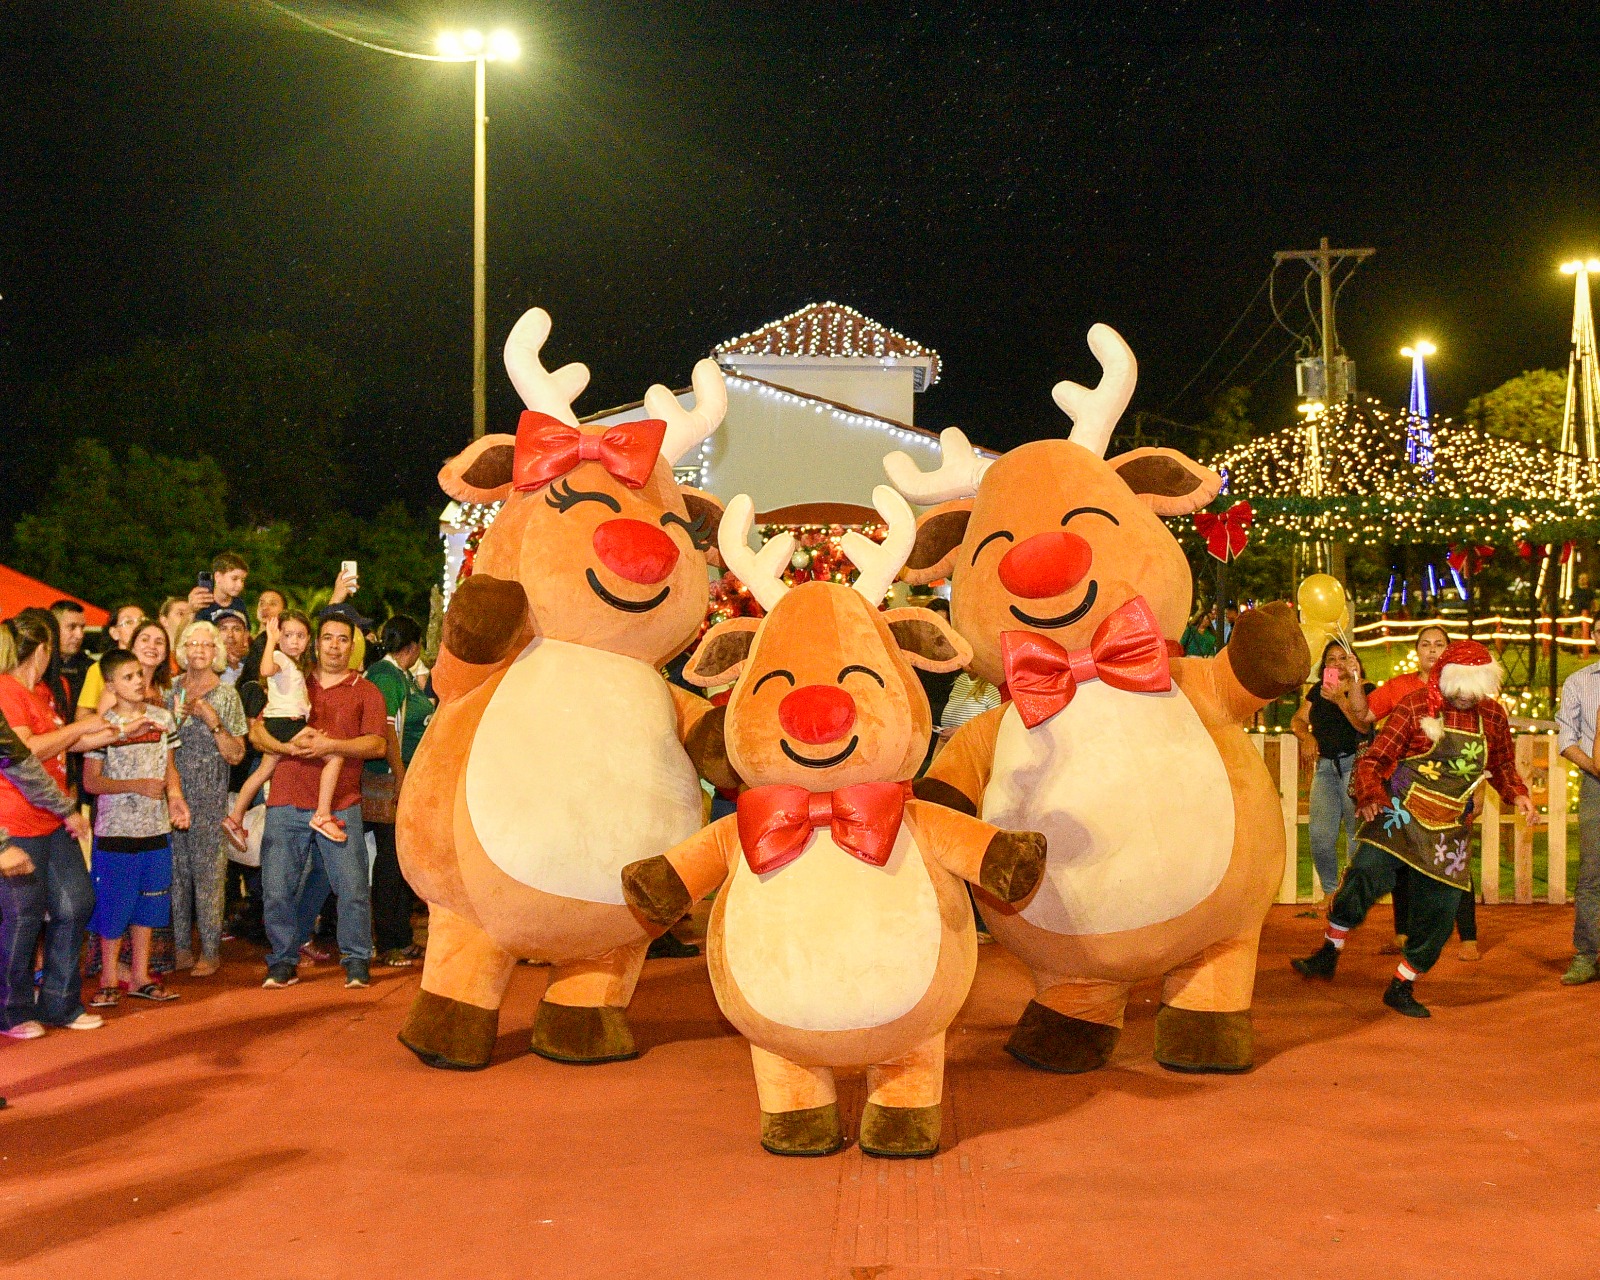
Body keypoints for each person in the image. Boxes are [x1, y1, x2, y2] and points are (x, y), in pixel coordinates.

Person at [1293, 641, 1538, 1018]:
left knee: (1440, 911)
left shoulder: (1493, 716)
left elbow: (1503, 764)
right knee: (1363, 875)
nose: (1465, 697)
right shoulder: (1416, 705)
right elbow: (1374, 757)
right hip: (1400, 816)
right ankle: (1329, 951)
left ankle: (1402, 984)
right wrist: (1371, 793)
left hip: (1449, 827)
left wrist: (1518, 794)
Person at [251, 614, 386, 990]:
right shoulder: (290, 677)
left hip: (341, 803)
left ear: (352, 646)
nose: (334, 646)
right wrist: (285, 746)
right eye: (328, 638)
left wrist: (331, 746)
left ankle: (357, 959)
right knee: (276, 889)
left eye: (342, 640)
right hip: (287, 798)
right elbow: (257, 732)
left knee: (353, 888)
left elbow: (377, 744)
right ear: (316, 642)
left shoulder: (366, 690)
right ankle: (281, 961)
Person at [0, 613, 114, 1037]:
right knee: (22, 918)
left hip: (52, 816)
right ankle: (12, 1010)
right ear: (43, 649)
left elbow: (62, 741)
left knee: (77, 903)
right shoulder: (6, 691)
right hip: (15, 821)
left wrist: (110, 731)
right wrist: (83, 728)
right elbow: (24, 753)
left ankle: (59, 1002)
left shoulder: (45, 690)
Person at [83, 649, 190, 1007]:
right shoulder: (102, 727)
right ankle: (109, 978)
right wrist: (135, 785)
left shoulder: (162, 718)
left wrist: (175, 797)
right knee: (113, 906)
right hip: (115, 832)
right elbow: (92, 783)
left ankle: (142, 976)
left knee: (150, 905)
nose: (138, 681)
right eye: (127, 677)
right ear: (111, 684)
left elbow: (170, 767)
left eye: (140, 675)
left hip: (156, 830)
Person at [1369, 626, 1480, 961]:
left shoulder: (1464, 689)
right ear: (1416, 649)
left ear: (1448, 650)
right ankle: (1403, 933)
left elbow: (1481, 742)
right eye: (1425, 644)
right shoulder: (1399, 687)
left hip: (1451, 790)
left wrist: (1479, 791)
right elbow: (1365, 716)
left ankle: (1468, 937)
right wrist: (1348, 685)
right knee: (1403, 860)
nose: (1432, 650)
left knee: (1454, 860)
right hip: (1405, 789)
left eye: (1439, 644)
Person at [224, 611, 345, 846]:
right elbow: (266, 669)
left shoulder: (295, 665)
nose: (294, 641)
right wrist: (270, 639)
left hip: (283, 722)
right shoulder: (279, 657)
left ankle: (235, 817)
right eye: (288, 635)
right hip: (284, 723)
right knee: (334, 756)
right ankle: (322, 814)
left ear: (309, 639)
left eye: (300, 635)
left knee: (263, 772)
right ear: (280, 637)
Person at [167, 621, 247, 976]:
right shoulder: (170, 690)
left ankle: (210, 950)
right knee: (175, 873)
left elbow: (236, 754)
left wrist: (212, 720)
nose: (198, 650)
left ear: (215, 651)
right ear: (181, 649)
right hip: (172, 793)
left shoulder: (227, 694)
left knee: (209, 875)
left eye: (205, 644)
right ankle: (181, 947)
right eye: (191, 643)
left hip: (210, 796)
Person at [362, 614, 435, 966]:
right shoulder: (386, 676)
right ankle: (390, 941)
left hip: (399, 778)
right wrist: (401, 775)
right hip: (385, 781)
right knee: (390, 862)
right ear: (413, 646)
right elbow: (387, 730)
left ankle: (400, 936)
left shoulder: (400, 676)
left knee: (397, 861)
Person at [1291, 642, 1374, 905]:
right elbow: (1298, 719)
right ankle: (1329, 890)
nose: (1336, 663)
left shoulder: (1366, 689)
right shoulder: (1318, 691)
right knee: (1320, 835)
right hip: (1326, 767)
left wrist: (1340, 700)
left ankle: (1348, 894)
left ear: (1353, 661)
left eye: (1342, 658)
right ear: (1324, 665)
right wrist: (1306, 736)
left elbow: (1364, 726)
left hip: (1356, 766)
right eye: (1331, 659)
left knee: (1354, 834)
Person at [1556, 652, 1600, 985]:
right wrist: (1597, 769)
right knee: (1592, 872)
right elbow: (1567, 739)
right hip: (1595, 785)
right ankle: (1586, 955)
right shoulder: (1579, 681)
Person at [75, 602, 145, 720]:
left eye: (142, 621)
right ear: (114, 633)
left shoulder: (153, 665)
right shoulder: (100, 668)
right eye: (128, 622)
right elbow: (82, 716)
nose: (137, 626)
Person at [50, 600, 91, 709]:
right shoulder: (39, 667)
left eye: (82, 627)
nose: (79, 635)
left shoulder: (91, 668)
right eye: (72, 627)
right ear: (53, 629)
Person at [189, 552, 250, 624]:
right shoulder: (201, 602)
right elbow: (183, 633)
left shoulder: (239, 604)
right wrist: (191, 611)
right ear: (218, 577)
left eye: (242, 580)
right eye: (234, 578)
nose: (240, 585)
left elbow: (247, 633)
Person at [215, 612, 252, 686]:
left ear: (245, 635)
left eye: (236, 629)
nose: (230, 635)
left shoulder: (253, 667)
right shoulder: (205, 667)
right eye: (223, 629)